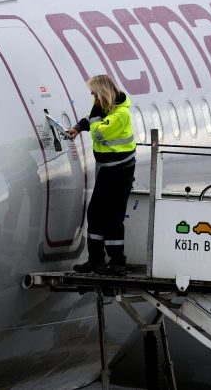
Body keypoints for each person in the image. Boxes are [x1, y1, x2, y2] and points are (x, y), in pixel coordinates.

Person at [68, 75, 136, 276]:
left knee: (113, 217)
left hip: (120, 171)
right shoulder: (107, 107)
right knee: (95, 213)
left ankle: (117, 262)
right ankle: (96, 260)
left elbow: (99, 132)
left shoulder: (121, 114)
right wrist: (78, 128)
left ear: (103, 93)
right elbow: (92, 120)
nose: (92, 95)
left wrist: (96, 111)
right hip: (108, 169)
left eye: (94, 92)